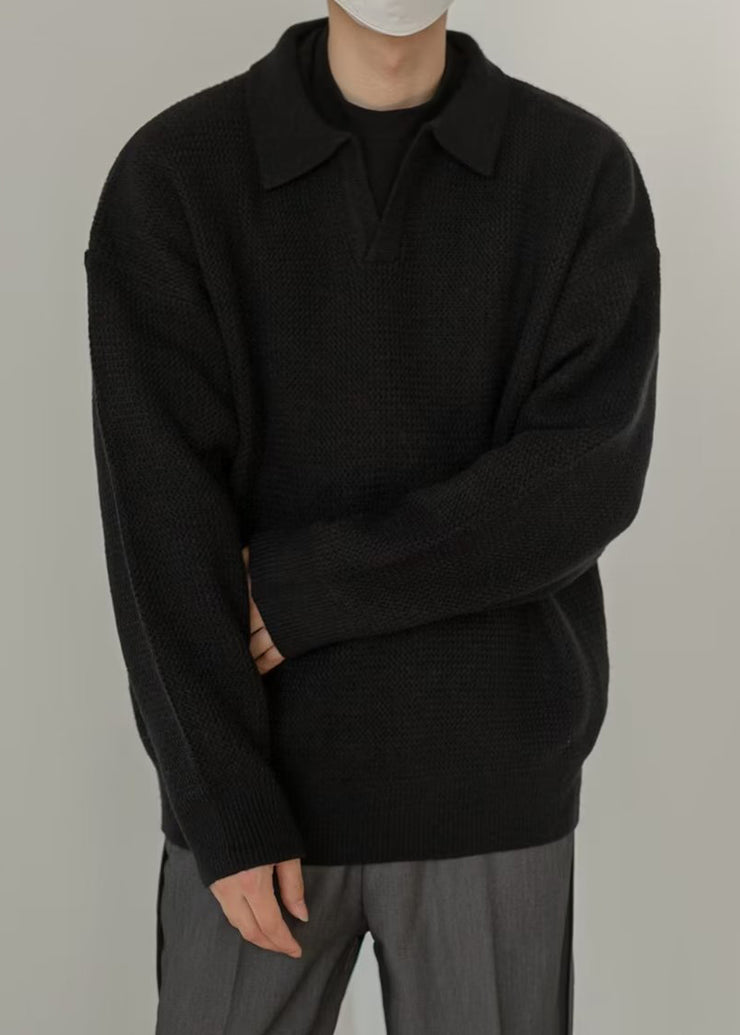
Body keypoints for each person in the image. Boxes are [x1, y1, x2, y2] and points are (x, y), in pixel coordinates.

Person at [84, 0, 660, 1031]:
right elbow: (156, 524)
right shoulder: (175, 175)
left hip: (491, 791)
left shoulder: (579, 173)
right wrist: (221, 802)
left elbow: (584, 477)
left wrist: (311, 587)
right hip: (255, 796)